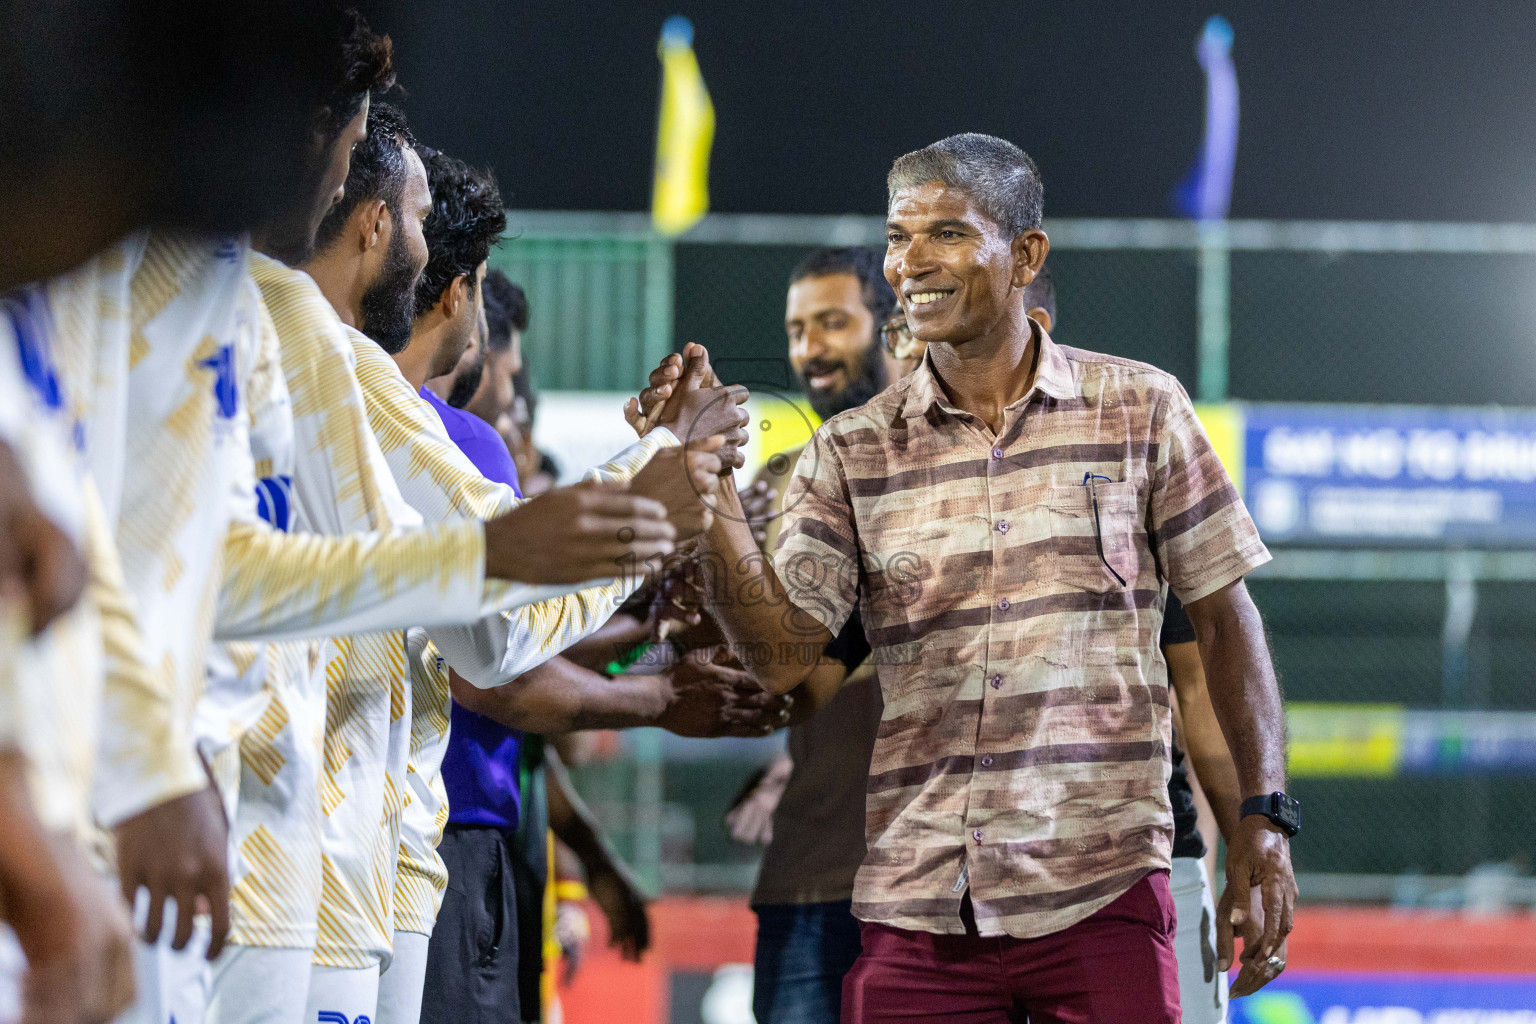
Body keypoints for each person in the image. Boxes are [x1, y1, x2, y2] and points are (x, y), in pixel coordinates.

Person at [640, 132, 1298, 1023]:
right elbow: (784, 661)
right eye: (898, 237)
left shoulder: (1142, 410)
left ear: (1026, 254)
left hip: (1101, 893)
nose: (910, 263)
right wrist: (705, 480)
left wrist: (1261, 819)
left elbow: (1224, 623)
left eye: (946, 233)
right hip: (920, 910)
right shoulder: (850, 452)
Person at [299, 111, 754, 1023]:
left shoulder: (321, 367)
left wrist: (655, 491)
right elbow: (495, 642)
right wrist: (663, 476)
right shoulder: (353, 379)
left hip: (378, 851)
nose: (424, 257)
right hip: (334, 858)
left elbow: (474, 608)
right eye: (418, 224)